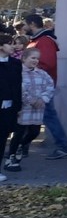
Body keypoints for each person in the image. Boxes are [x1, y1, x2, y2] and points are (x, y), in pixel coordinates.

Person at [22, 14, 67, 159]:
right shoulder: (41, 40)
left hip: (40, 86)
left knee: (48, 116)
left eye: (25, 24)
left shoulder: (43, 41)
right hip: (37, 85)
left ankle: (63, 146)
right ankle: (22, 146)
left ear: (32, 24)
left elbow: (47, 63)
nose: (24, 27)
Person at [8, 48, 54, 168]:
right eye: (33, 58)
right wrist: (29, 100)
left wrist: (43, 98)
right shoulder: (18, 73)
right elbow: (18, 89)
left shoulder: (41, 73)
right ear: (24, 59)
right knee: (19, 132)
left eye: (37, 58)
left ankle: (21, 145)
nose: (36, 60)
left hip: (37, 109)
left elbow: (49, 86)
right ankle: (11, 158)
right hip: (23, 109)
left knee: (35, 131)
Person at [0, 36, 25, 173]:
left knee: (3, 137)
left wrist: (17, 106)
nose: (14, 47)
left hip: (9, 106)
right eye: (10, 44)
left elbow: (17, 85)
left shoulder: (15, 63)